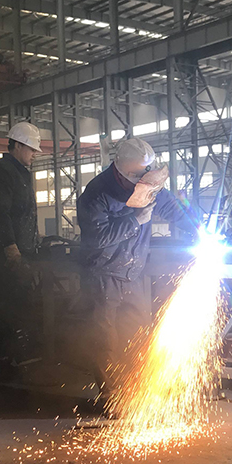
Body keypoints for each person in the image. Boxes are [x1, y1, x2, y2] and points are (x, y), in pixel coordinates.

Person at [76, 137, 197, 397]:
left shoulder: (147, 184)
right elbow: (96, 237)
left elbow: (174, 209)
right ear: (124, 173)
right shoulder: (97, 193)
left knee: (138, 331)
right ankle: (111, 395)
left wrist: (200, 229)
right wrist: (135, 220)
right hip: (103, 274)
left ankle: (137, 390)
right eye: (139, 177)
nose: (145, 182)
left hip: (132, 272)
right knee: (104, 338)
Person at [0, 121, 41, 377]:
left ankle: (13, 356)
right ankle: (2, 358)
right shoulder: (0, 172)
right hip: (6, 253)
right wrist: (10, 248)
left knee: (19, 302)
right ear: (17, 146)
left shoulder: (21, 173)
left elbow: (23, 213)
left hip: (22, 249)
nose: (34, 154)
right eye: (31, 149)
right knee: (8, 303)